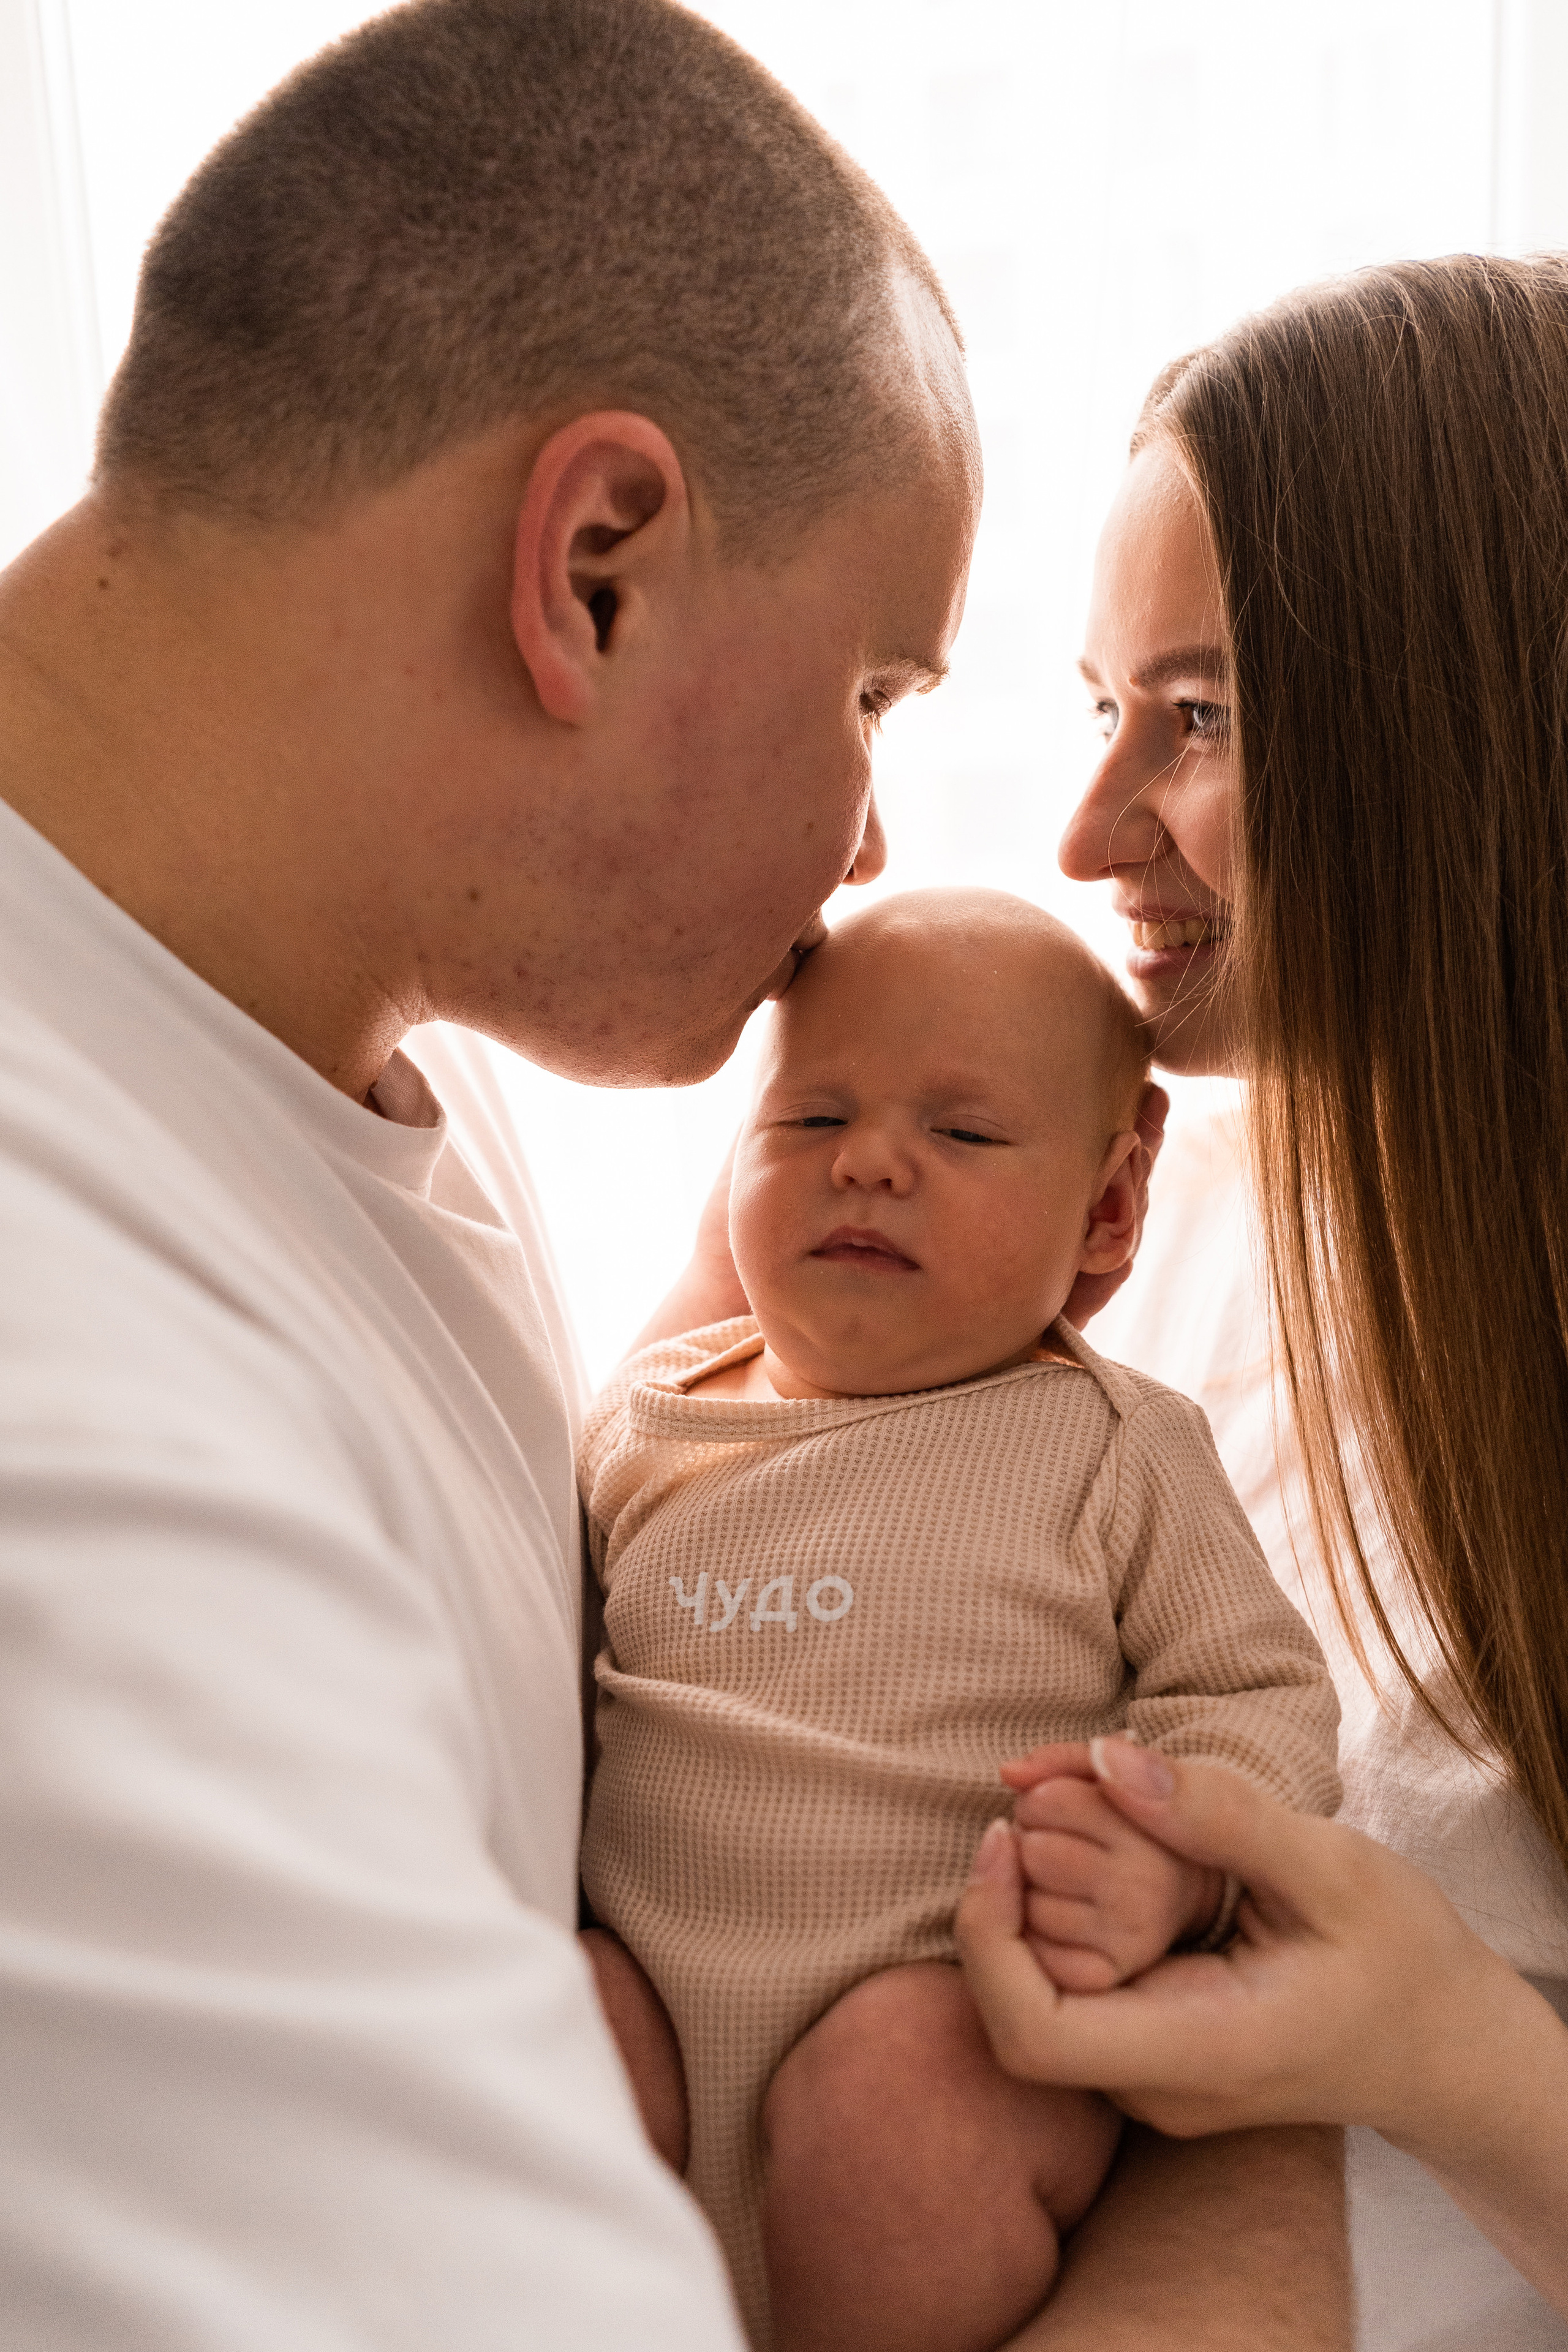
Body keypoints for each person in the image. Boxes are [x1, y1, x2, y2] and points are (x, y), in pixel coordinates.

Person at [0, 1, 978, 2342]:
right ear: (599, 568)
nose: (869, 841)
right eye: (876, 691)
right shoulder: (73, 1418)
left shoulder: (359, 1030)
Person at [952, 254, 1568, 2348]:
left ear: (1470, 739)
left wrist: (1445, 2050)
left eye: (1198, 718)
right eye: (1100, 706)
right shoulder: (1135, 1212)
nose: (1087, 825)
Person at [575, 889, 1341, 2352]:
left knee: (895, 2091)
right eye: (806, 1122)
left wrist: (1171, 1864)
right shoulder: (643, 1426)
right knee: (558, 2017)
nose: (866, 1163)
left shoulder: (1107, 1444)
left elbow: (1254, 1695)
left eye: (963, 1134)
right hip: (656, 2035)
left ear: (1107, 1208)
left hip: (950, 2019)